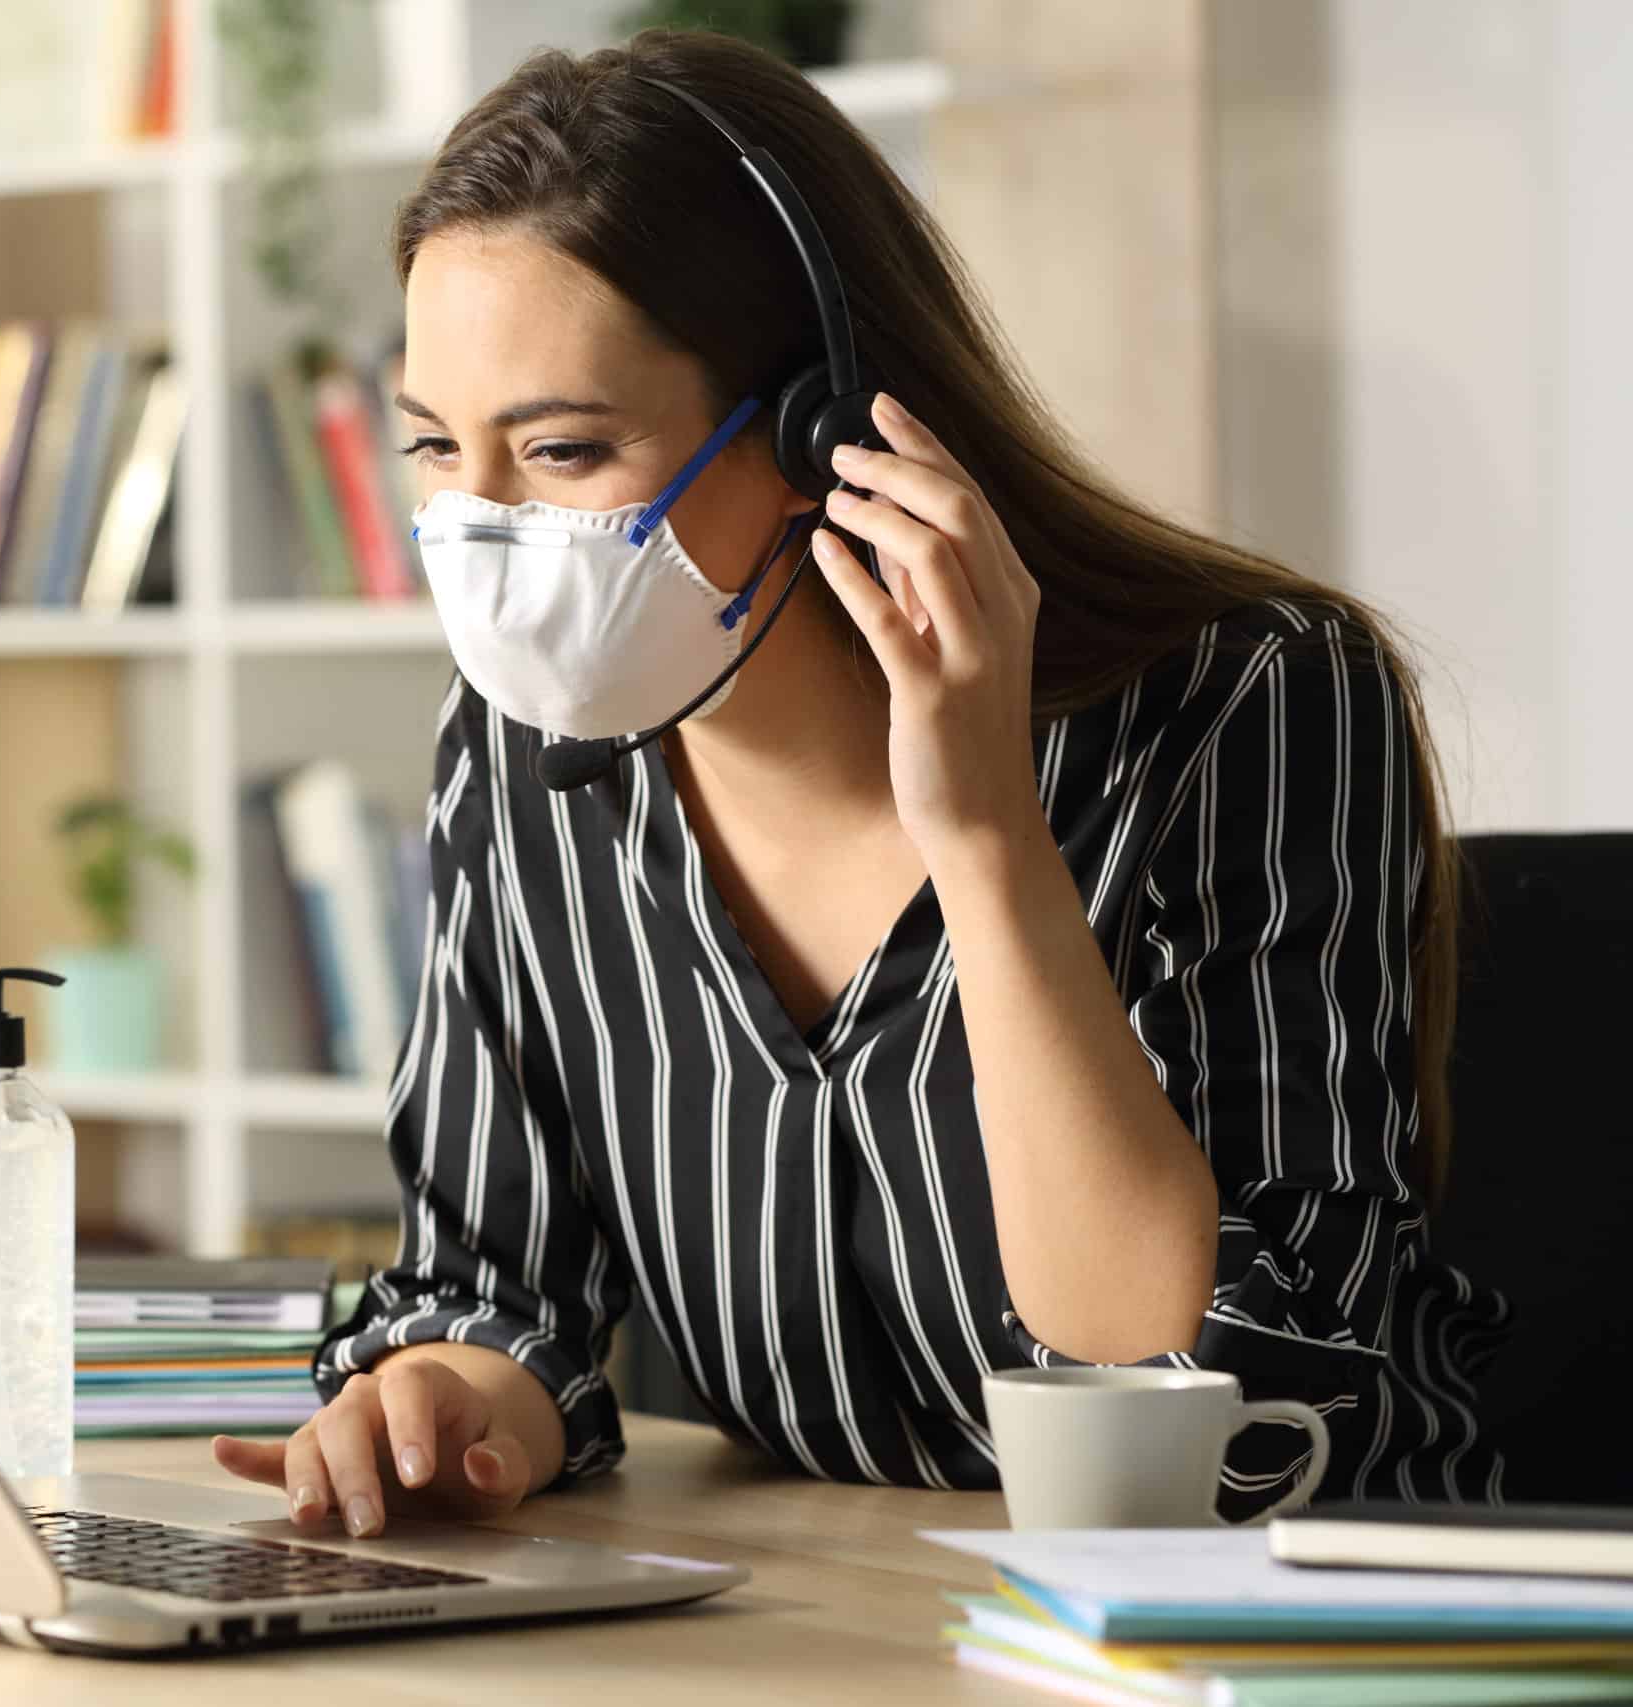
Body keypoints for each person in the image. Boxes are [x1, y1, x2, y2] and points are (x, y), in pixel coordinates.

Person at [211, 29, 1505, 1537]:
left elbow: (1198, 1384)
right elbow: (494, 1293)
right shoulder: (515, 754)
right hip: (845, 1620)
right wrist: (447, 1397)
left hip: (1283, 1631)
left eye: (562, 451)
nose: (482, 534)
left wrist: (982, 834)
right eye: (437, 447)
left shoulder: (1250, 701)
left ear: (822, 432)